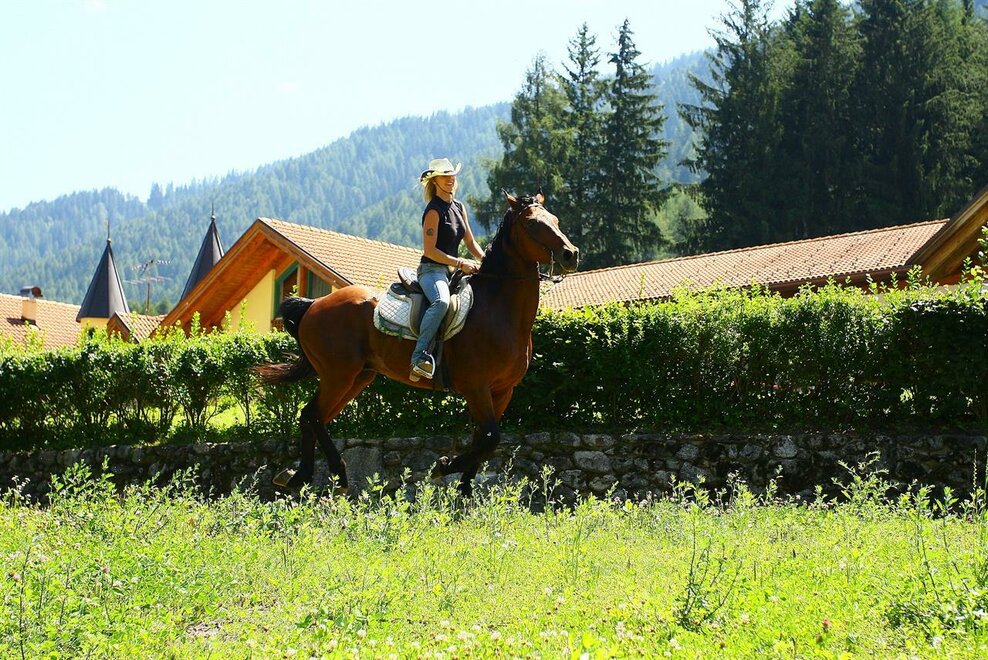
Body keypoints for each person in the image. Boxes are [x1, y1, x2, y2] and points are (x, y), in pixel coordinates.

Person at [411, 158, 484, 379]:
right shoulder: (433, 211)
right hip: (431, 270)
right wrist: (461, 263)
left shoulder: (459, 207)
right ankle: (418, 357)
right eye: (445, 176)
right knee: (441, 302)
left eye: (452, 175)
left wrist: (486, 261)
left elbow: (470, 242)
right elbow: (430, 251)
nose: (450, 179)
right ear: (435, 181)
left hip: (451, 272)